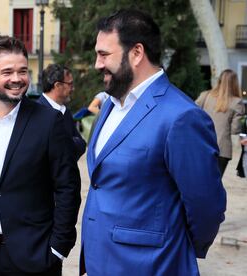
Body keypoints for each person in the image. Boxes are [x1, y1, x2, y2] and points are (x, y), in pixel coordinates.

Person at [81, 9, 226, 276]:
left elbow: (207, 206)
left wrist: (172, 249)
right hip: (99, 262)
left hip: (151, 266)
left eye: (104, 54)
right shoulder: (111, 106)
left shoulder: (182, 117)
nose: (97, 64)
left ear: (137, 53)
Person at [0, 35, 81, 275]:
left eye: (23, 71)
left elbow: (67, 186)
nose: (17, 79)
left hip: (37, 256)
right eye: (7, 72)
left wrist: (58, 247)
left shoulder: (50, 122)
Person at [196, 69, 244, 176]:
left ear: (219, 81)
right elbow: (235, 129)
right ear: (235, 83)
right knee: (214, 186)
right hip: (222, 149)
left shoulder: (205, 95)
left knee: (198, 182)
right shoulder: (237, 102)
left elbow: (192, 115)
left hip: (201, 144)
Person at [38, 64, 86, 160]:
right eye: (70, 84)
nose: (73, 88)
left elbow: (81, 144)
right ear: (58, 86)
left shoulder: (65, 112)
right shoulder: (37, 112)